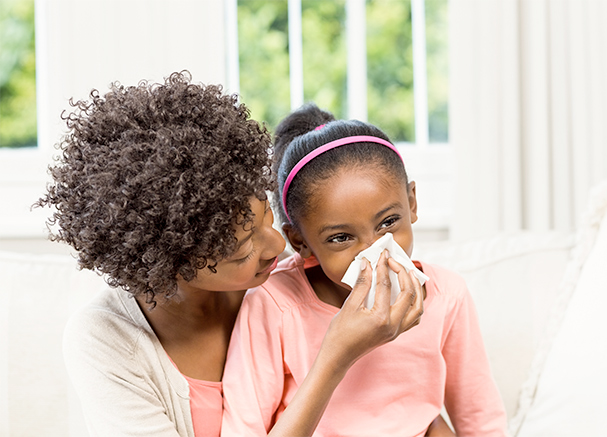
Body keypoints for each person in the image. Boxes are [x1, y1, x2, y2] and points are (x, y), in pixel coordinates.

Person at [36, 72, 425, 437]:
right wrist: (335, 357)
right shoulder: (106, 340)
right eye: (242, 252)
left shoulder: (293, 288)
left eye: (265, 217)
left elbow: (394, 395)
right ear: (171, 268)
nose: (277, 246)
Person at [222, 103, 508, 436]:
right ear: (299, 241)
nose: (373, 252)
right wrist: (340, 352)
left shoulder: (447, 296)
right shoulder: (274, 303)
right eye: (341, 238)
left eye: (388, 222)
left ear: (412, 203)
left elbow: (480, 419)